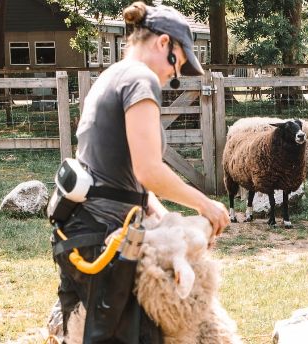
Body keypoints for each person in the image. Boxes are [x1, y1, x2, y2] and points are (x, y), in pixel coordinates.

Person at [53, 2, 230, 342]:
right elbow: (148, 170)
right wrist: (205, 205)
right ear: (164, 43)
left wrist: (168, 222)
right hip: (105, 239)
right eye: (177, 64)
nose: (173, 76)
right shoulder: (140, 79)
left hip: (80, 233)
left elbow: (125, 178)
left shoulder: (110, 77)